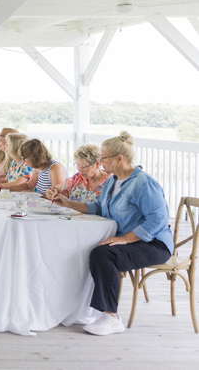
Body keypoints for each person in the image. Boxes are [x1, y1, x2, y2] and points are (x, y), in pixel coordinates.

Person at [48, 132, 173, 336]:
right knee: (87, 249)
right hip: (130, 241)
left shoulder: (143, 183)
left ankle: (111, 316)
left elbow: (157, 221)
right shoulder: (112, 181)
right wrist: (68, 202)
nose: (101, 161)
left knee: (103, 254)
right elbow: (99, 207)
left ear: (119, 158)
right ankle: (76, 308)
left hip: (154, 244)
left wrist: (125, 239)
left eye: (104, 158)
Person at [0, 138, 65, 195]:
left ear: (34, 157)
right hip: (42, 204)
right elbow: (29, 186)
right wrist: (5, 188)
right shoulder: (38, 168)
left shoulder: (55, 168)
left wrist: (35, 195)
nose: (24, 161)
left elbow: (56, 196)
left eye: (25, 158)